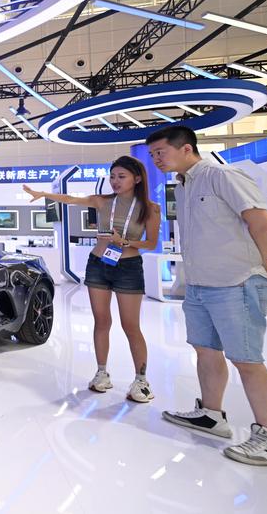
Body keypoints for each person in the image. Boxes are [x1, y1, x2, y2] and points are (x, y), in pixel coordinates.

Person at [146, 125, 267, 466]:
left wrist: (260, 262)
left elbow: (264, 224)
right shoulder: (183, 185)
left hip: (236, 282)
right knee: (205, 351)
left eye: (161, 152)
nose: (156, 159)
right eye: (152, 155)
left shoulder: (222, 175)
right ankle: (212, 415)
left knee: (247, 360)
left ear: (186, 148)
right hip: (199, 285)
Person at [23, 155, 161, 403]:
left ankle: (141, 380)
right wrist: (43, 194)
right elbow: (70, 199)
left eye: (121, 176)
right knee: (101, 321)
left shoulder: (150, 208)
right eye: (112, 176)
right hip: (98, 264)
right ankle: (101, 373)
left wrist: (124, 242)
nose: (115, 181)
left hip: (129, 267)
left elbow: (151, 243)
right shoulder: (102, 201)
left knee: (131, 325)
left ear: (137, 179)